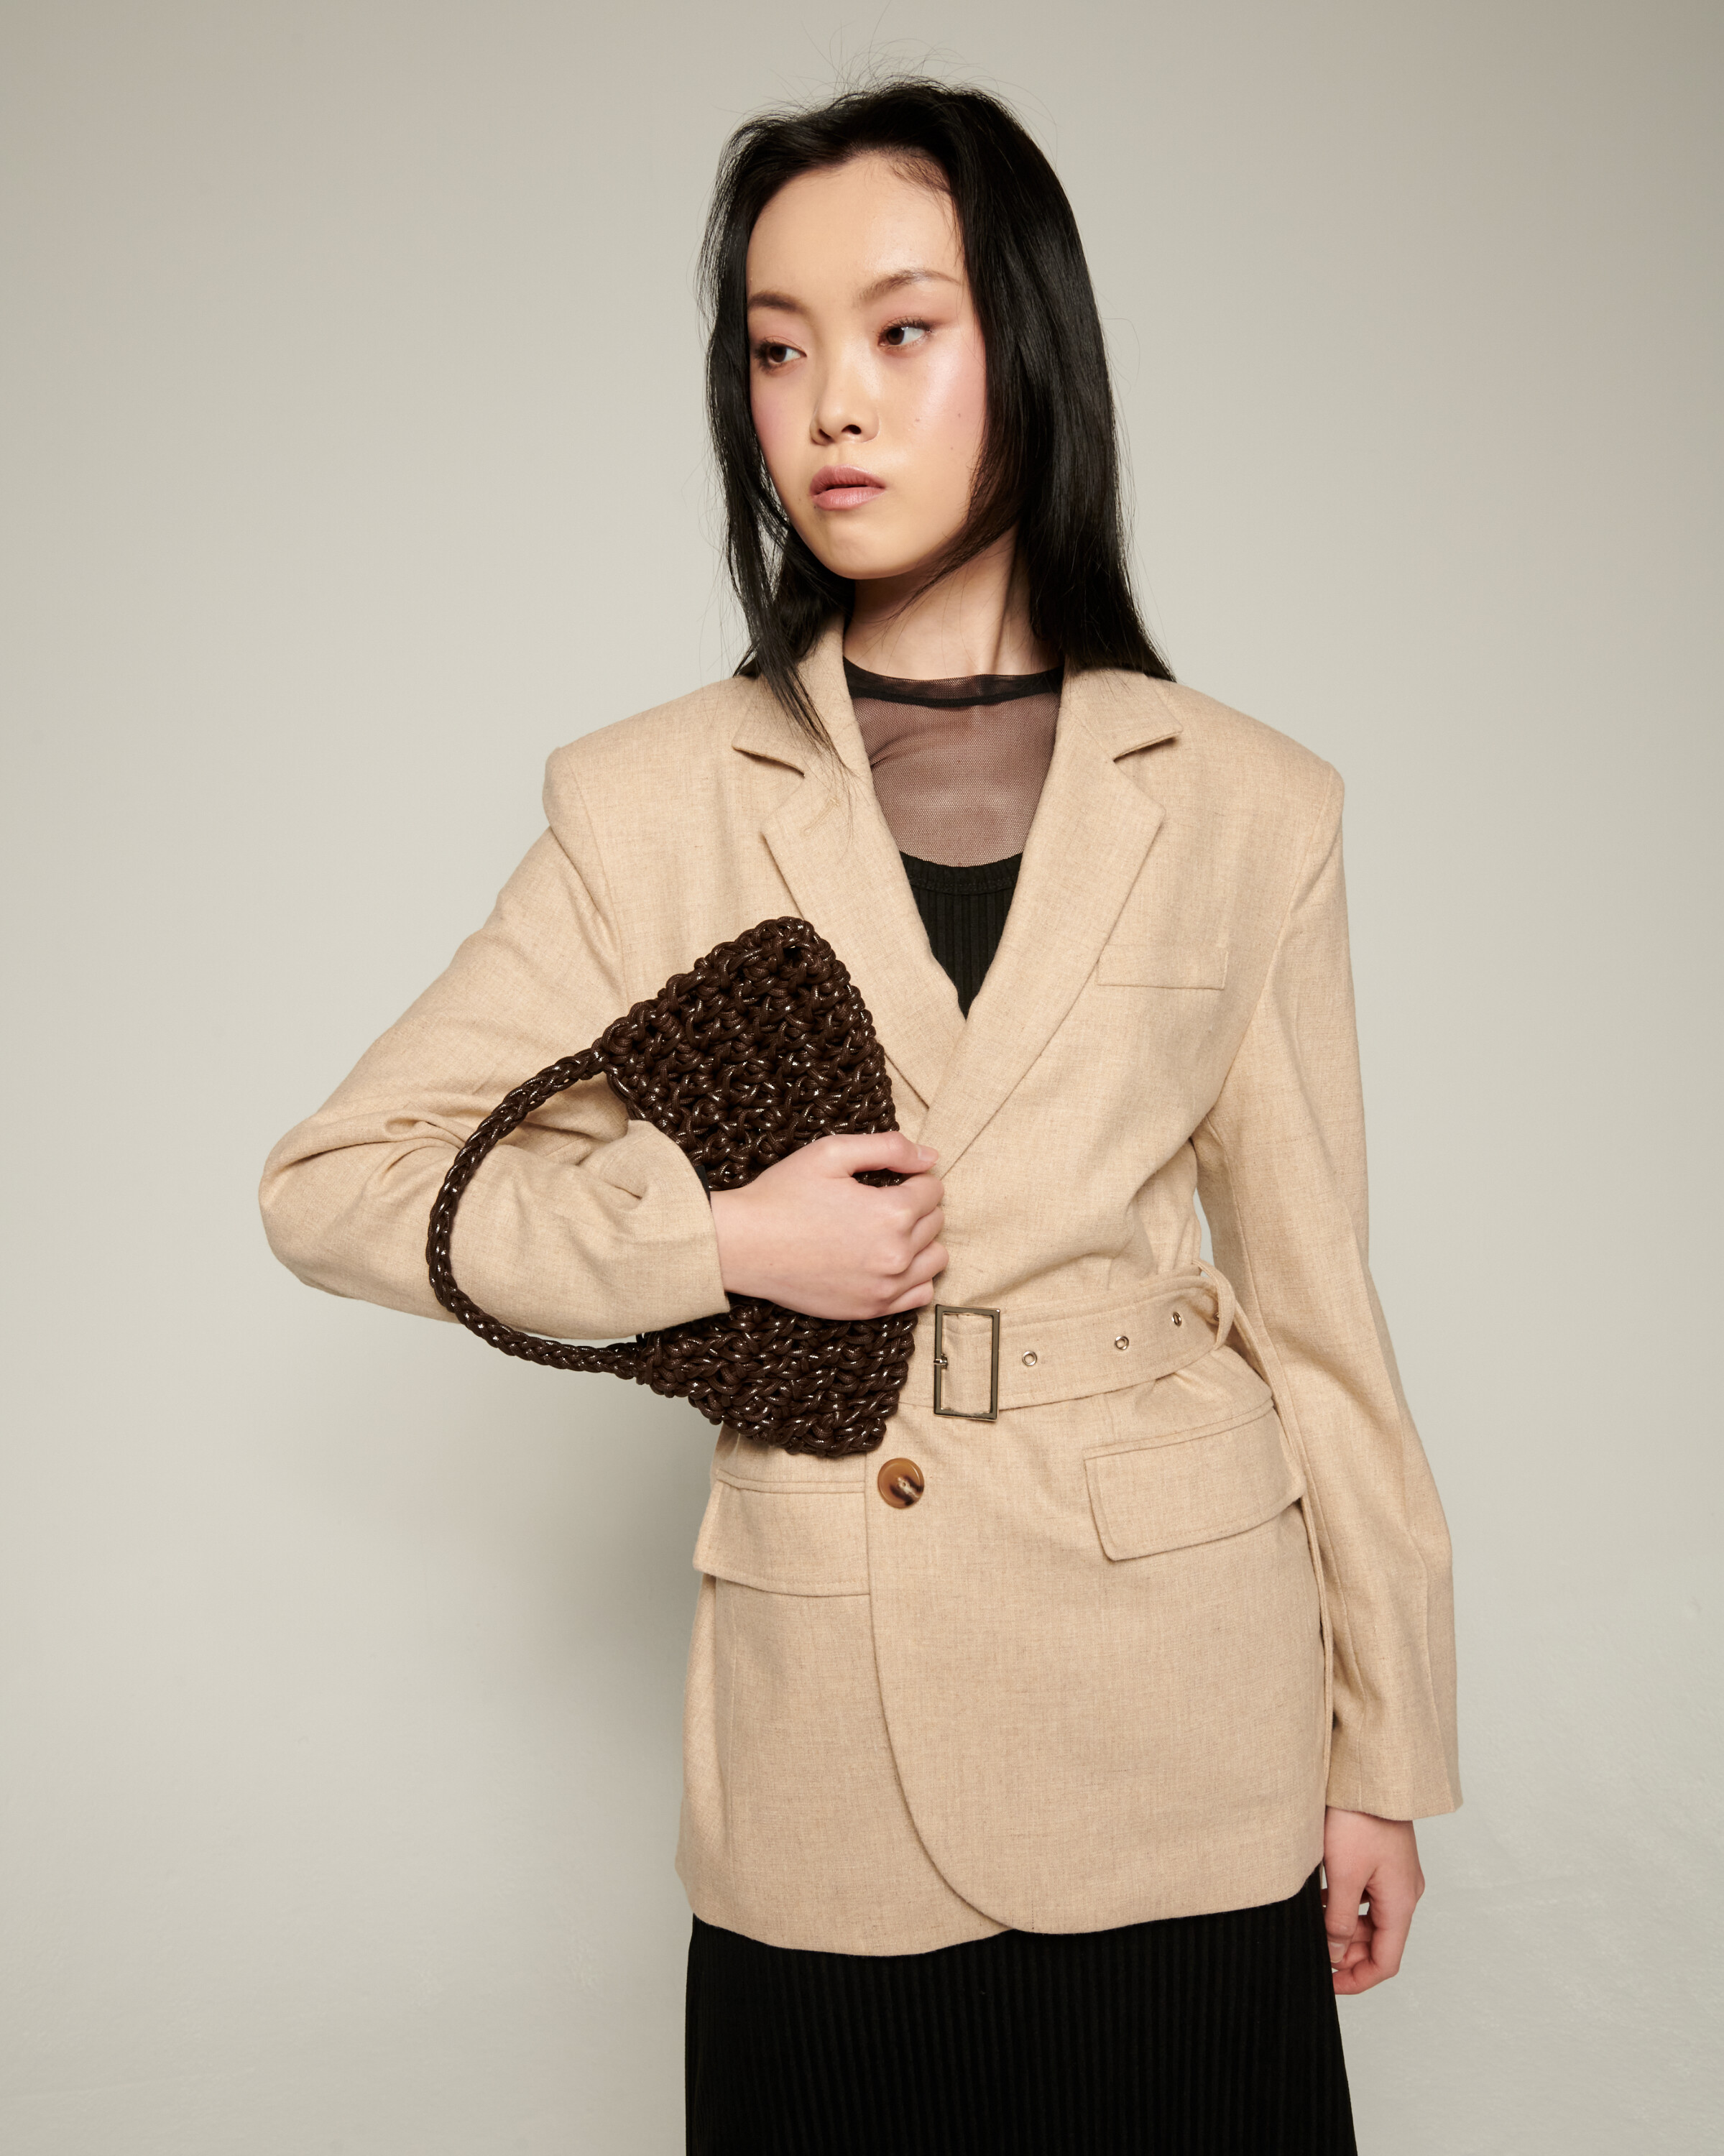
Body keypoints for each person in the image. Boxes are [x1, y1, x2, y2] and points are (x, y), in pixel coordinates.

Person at [262, 78, 1459, 2155]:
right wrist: (718, 1241)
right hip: (833, 1715)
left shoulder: (1252, 804)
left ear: (1029, 347)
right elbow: (337, 1186)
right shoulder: (651, 799)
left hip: (1192, 1699)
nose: (830, 404)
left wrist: (1388, 1754)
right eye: (776, 346)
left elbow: (1317, 1314)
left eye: (903, 330)